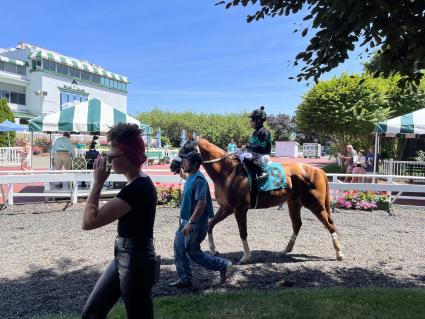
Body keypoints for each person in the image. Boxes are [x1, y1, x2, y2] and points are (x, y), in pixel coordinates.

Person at [81, 123, 158, 319]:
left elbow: (89, 222)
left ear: (129, 158)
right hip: (125, 255)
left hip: (136, 260)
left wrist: (97, 184)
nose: (106, 161)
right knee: (91, 314)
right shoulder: (138, 184)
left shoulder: (137, 189)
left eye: (110, 157)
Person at [169, 151, 233, 288]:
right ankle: (185, 278)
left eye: (186, 161)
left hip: (195, 224)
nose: (183, 163)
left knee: (194, 253)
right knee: (179, 247)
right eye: (183, 161)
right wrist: (178, 171)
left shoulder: (199, 180)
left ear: (195, 164)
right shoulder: (191, 176)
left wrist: (191, 223)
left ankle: (224, 265)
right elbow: (186, 176)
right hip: (186, 222)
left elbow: (201, 203)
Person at [236, 106, 272, 181]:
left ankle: (262, 172)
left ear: (258, 120)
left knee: (246, 158)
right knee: (237, 154)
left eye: (252, 119)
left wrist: (247, 146)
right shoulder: (255, 132)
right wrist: (245, 147)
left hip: (263, 156)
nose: (250, 121)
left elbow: (262, 148)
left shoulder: (264, 131)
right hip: (256, 154)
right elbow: (252, 145)